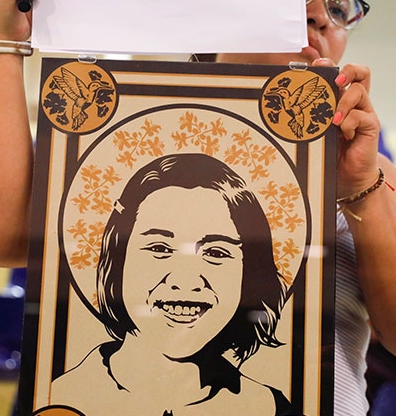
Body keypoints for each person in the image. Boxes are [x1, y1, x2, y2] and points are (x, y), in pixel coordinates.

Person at [0, 0, 396, 415]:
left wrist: (360, 186)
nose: (319, 17)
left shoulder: (370, 174)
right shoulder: (117, 145)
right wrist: (4, 40)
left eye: (338, 7)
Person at [49, 153, 291, 415]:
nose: (186, 280)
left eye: (215, 252)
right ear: (117, 259)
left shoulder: (268, 407)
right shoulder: (61, 399)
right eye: (159, 248)